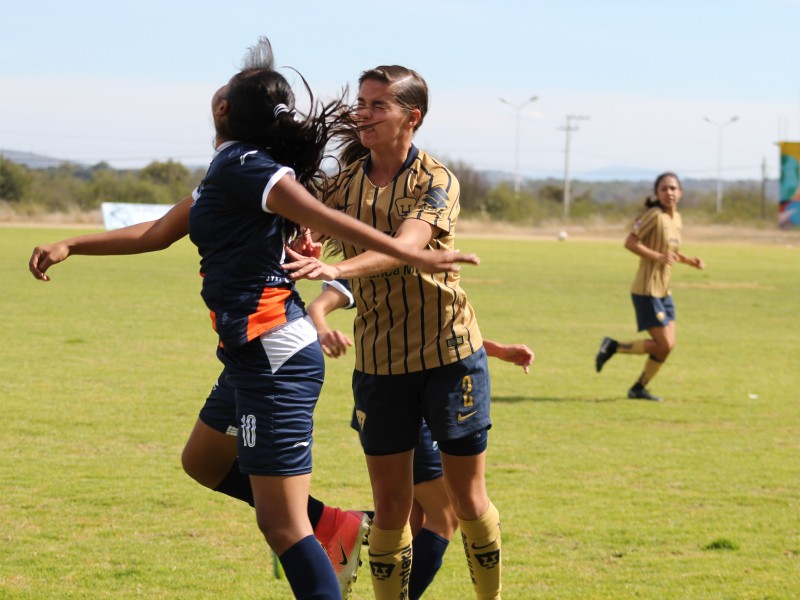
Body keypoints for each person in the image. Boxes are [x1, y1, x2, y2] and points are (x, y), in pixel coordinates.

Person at [28, 39, 477, 600]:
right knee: (203, 460)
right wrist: (72, 242)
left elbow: (316, 213)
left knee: (283, 526)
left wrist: (413, 253)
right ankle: (334, 525)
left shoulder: (247, 165)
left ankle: (328, 538)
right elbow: (157, 233)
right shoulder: (227, 169)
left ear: (224, 110)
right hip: (248, 353)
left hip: (273, 353)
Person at [282, 65, 503, 600]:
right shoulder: (344, 183)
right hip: (380, 363)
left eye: (378, 105)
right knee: (390, 509)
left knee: (467, 501)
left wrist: (336, 269)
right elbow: (300, 228)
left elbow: (405, 245)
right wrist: (302, 245)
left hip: (449, 353)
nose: (364, 114)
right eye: (362, 103)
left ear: (413, 117)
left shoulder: (436, 180)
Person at [306, 278, 534, 599]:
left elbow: (433, 331)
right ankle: (343, 528)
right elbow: (317, 306)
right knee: (442, 516)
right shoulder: (364, 263)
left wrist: (495, 350)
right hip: (395, 395)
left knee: (411, 519)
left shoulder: (421, 265)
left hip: (431, 390)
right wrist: (322, 330)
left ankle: (348, 528)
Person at [594, 172, 704, 402]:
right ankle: (613, 346)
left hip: (664, 292)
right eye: (664, 189)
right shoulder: (653, 216)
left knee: (667, 346)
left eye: (673, 188)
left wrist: (688, 261)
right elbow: (630, 242)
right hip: (646, 291)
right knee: (663, 343)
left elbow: (670, 252)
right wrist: (657, 257)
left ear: (680, 192)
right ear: (657, 193)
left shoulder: (677, 219)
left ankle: (638, 387)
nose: (669, 193)